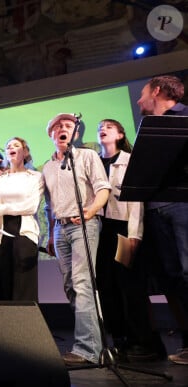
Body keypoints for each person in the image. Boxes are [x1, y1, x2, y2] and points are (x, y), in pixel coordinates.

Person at [42, 113, 111, 365]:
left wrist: (90, 211)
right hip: (60, 230)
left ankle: (87, 350)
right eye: (58, 126)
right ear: (51, 135)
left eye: (68, 126)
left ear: (76, 133)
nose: (63, 129)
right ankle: (92, 343)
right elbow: (48, 205)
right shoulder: (48, 167)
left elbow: (103, 188)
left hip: (84, 224)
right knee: (71, 286)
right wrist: (50, 233)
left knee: (83, 283)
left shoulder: (87, 156)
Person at [94, 118, 163, 361]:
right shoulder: (95, 162)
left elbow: (136, 201)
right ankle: (120, 339)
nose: (102, 129)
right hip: (101, 229)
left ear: (121, 134)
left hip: (124, 227)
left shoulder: (129, 161)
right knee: (106, 286)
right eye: (100, 127)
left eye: (109, 127)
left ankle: (143, 341)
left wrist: (135, 234)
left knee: (130, 287)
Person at [136, 74, 188, 365]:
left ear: (157, 91)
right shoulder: (148, 127)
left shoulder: (185, 116)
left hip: (182, 205)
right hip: (155, 210)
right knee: (171, 278)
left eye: (143, 93)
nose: (139, 99)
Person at [0, 137, 44, 301]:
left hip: (24, 233)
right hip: (1, 235)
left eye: (16, 145)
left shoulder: (35, 177)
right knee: (4, 285)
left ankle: (27, 325)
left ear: (25, 152)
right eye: (8, 146)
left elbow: (30, 206)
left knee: (24, 286)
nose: (11, 148)